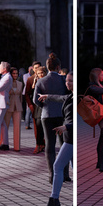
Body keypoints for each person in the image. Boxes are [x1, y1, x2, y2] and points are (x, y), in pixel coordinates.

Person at [38, 71, 74, 206]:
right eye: (67, 80)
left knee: (57, 166)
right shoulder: (71, 96)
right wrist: (47, 96)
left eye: (70, 81)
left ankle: (54, 201)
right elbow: (60, 98)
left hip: (71, 138)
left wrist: (66, 127)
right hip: (69, 137)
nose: (67, 83)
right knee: (74, 170)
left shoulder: (78, 99)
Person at [34, 54, 68, 182]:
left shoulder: (41, 81)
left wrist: (44, 106)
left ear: (47, 67)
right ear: (58, 67)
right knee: (64, 144)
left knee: (50, 145)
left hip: (47, 115)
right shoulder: (63, 80)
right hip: (61, 115)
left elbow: (35, 100)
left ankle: (51, 174)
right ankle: (65, 173)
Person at [7, 67, 25, 151]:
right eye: (13, 73)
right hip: (8, 106)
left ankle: (17, 147)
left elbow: (21, 96)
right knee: (5, 126)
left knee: (17, 127)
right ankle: (3, 144)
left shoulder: (20, 83)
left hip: (18, 106)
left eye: (16, 73)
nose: (15, 75)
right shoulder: (7, 83)